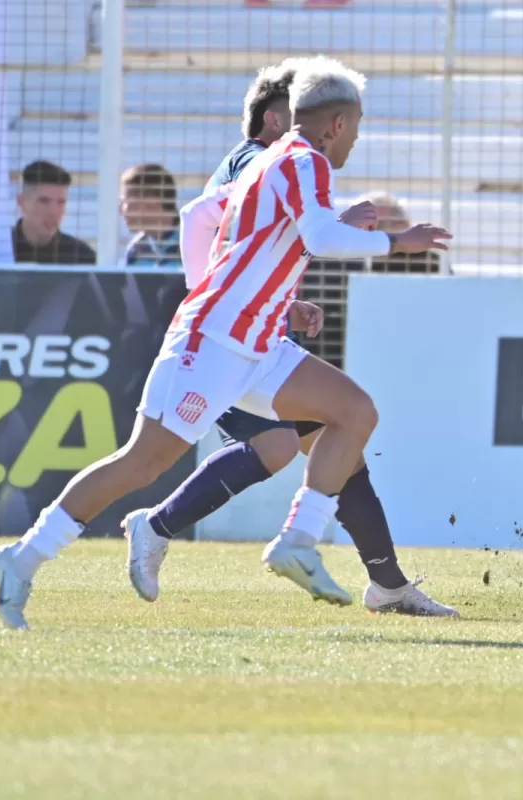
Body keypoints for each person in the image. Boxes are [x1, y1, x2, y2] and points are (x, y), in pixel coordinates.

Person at [0, 56, 452, 630]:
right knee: (140, 463)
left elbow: (197, 216)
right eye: (355, 126)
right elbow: (321, 236)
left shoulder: (274, 160)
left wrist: (246, 294)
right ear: (336, 122)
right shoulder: (306, 161)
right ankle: (22, 558)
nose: (355, 138)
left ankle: (298, 541)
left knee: (354, 412)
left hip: (255, 341)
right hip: (214, 342)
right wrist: (399, 241)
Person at [123, 59, 456, 618]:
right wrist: (223, 297)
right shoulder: (267, 162)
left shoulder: (265, 164)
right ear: (279, 117)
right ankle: (155, 526)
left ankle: (389, 585)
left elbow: (251, 245)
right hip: (227, 340)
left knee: (340, 437)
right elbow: (220, 227)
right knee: (295, 441)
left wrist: (274, 303)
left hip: (250, 332)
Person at [12, 161, 97, 265]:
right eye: (44, 201)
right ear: (22, 203)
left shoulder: (82, 257)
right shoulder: (0, 250)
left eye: (61, 202)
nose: (53, 211)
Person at [121, 164, 182, 267]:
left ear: (152, 202)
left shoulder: (194, 243)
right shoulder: (135, 250)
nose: (121, 210)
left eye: (127, 202)